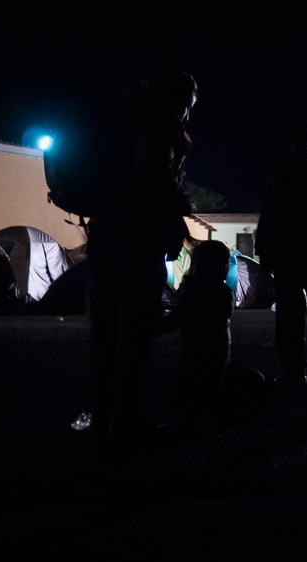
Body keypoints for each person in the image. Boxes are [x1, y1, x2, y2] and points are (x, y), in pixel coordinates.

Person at [77, 69, 197, 448]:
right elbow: (152, 174)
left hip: (104, 233)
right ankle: (127, 421)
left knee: (105, 332)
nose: (188, 114)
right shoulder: (159, 124)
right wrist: (176, 211)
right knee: (134, 334)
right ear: (178, 99)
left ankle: (100, 416)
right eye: (188, 105)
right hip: (136, 237)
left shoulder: (119, 120)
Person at [255, 123, 307, 386]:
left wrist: (265, 254)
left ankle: (300, 369)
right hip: (305, 254)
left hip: (295, 254)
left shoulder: (283, 175)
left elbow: (268, 216)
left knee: (297, 315)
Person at [159, 240, 234, 422]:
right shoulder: (213, 291)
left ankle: (203, 412)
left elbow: (178, 318)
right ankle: (203, 409)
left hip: (210, 348)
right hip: (203, 348)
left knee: (208, 378)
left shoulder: (214, 292)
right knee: (203, 378)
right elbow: (177, 318)